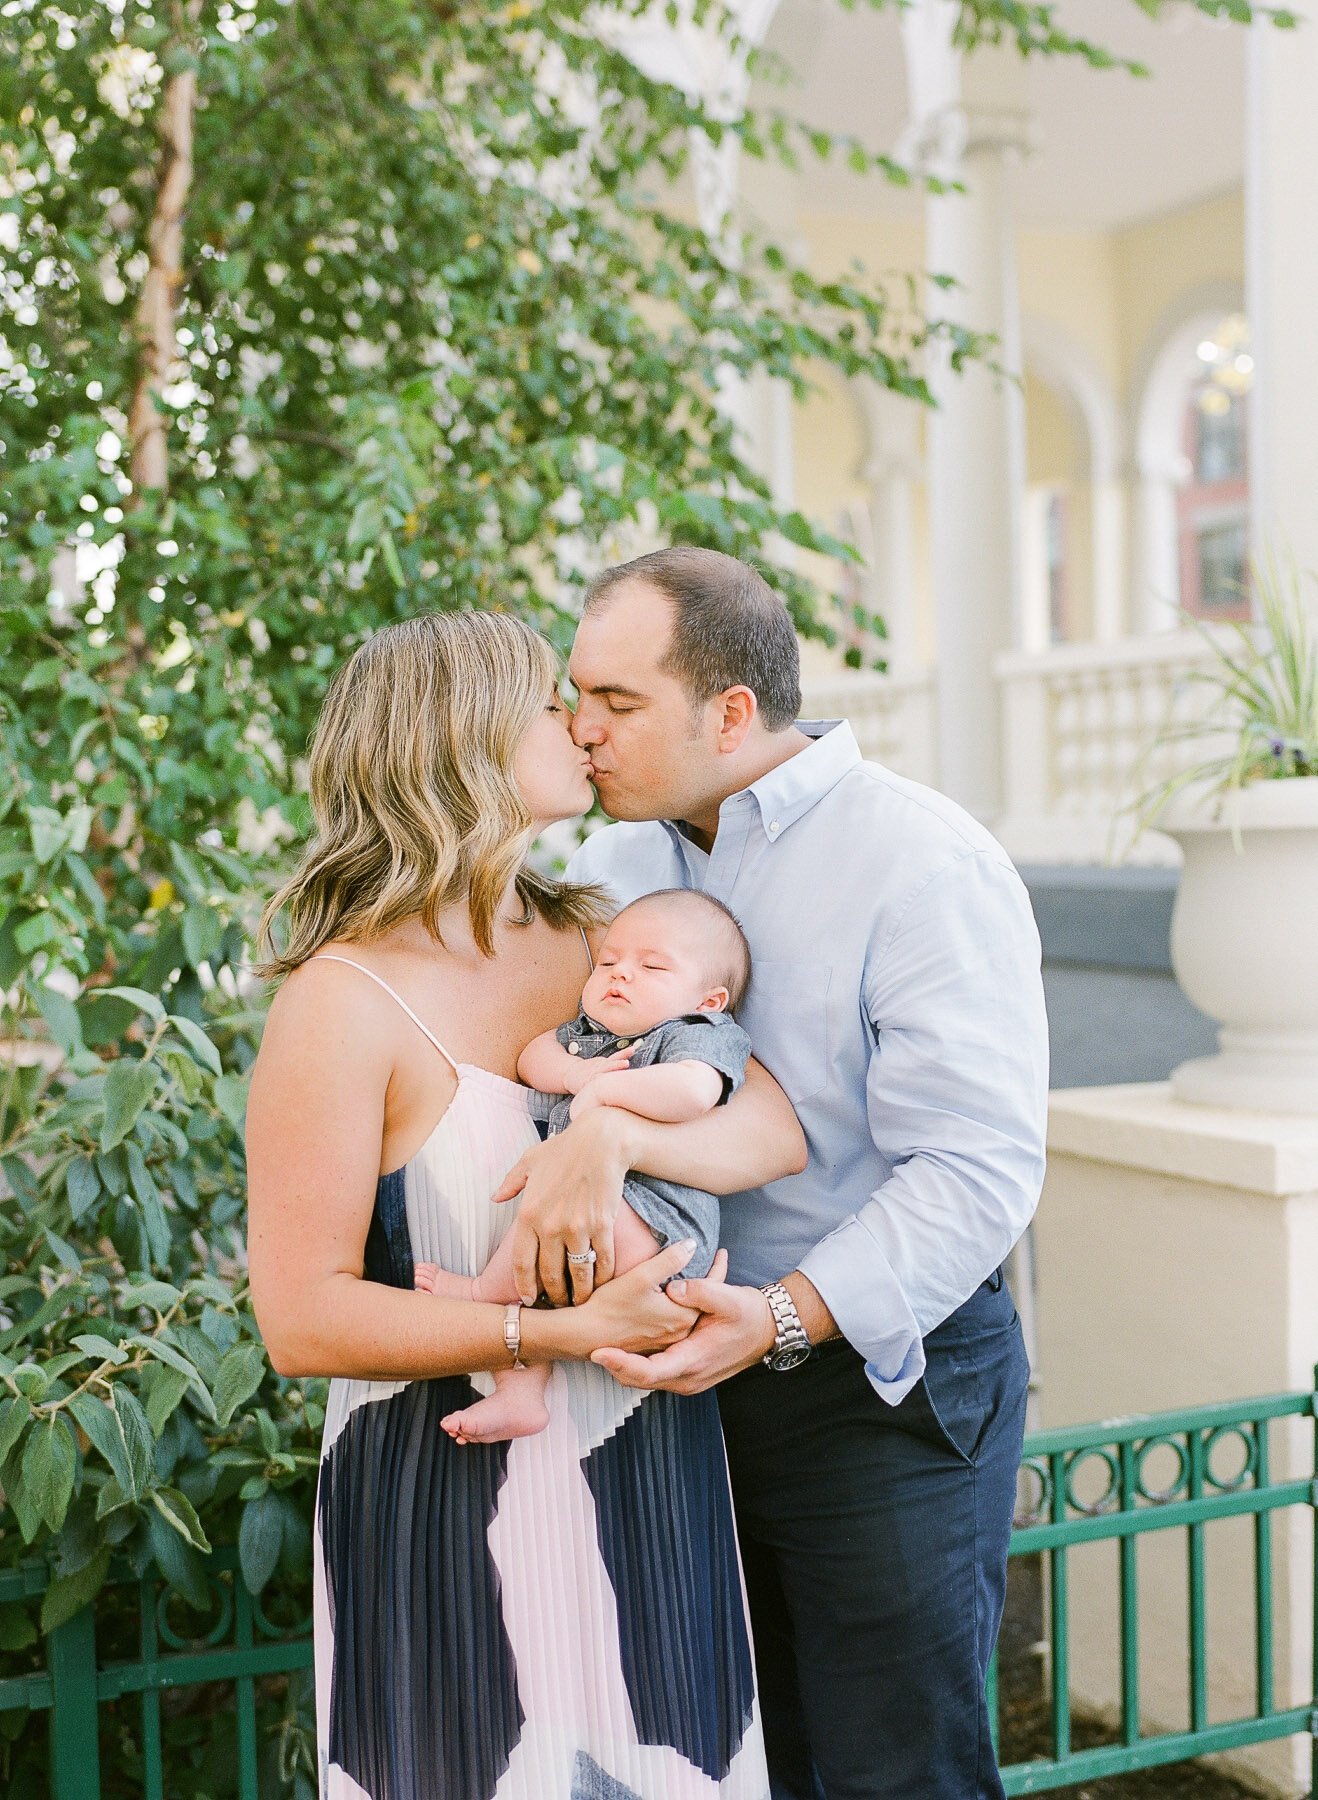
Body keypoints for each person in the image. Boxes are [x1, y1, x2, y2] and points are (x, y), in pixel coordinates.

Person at [489, 547, 1049, 1800]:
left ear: (730, 713)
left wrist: (785, 1317)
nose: (581, 731)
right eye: (578, 696)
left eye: (618, 704)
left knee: (890, 1775)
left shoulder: (921, 861)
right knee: (731, 1769)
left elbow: (976, 1168)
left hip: (879, 1394)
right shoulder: (622, 873)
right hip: (676, 1390)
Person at [245, 610, 804, 1800]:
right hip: (449, 1500)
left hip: (646, 1478)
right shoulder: (339, 1002)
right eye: (551, 702)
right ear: (464, 740)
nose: (580, 723)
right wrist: (545, 1335)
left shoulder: (608, 944)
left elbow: (772, 1129)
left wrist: (601, 1132)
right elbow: (300, 1320)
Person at [412, 886, 753, 1445]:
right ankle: (521, 1396)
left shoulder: (696, 1035)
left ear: (708, 999)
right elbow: (532, 1057)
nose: (621, 975)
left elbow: (693, 1091)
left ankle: (481, 1295)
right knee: (547, 1251)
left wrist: (605, 1099)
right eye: (611, 962)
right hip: (604, 1217)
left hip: (657, 1225)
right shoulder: (589, 1036)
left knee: (547, 1220)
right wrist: (576, 1076)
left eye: (651, 966)